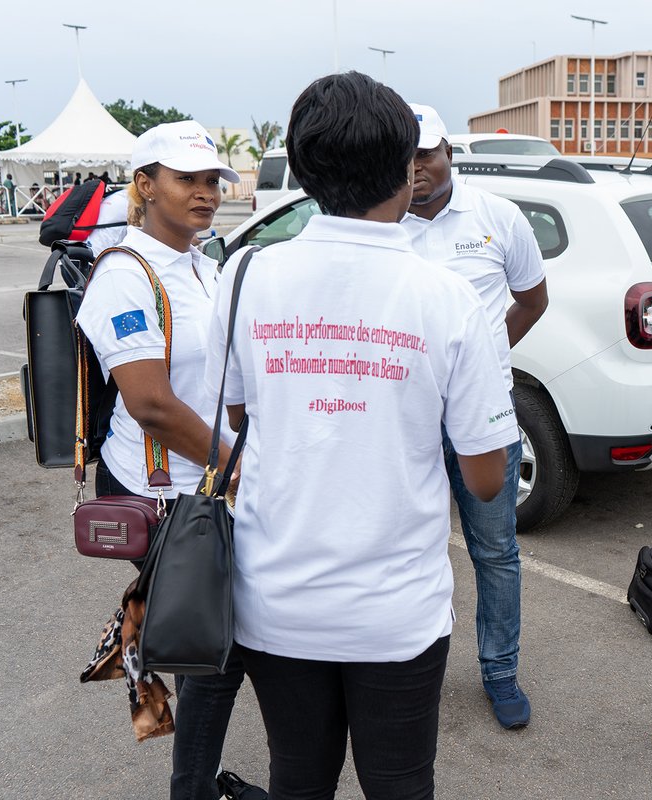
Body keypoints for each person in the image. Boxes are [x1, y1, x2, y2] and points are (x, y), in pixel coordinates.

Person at [205, 72, 517, 800]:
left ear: (304, 169)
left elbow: (240, 418)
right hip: (395, 612)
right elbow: (486, 478)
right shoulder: (448, 297)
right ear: (408, 168)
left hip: (274, 599)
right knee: (401, 783)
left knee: (297, 778)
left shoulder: (245, 274)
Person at [75, 120, 264, 800]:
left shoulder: (205, 267)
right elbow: (152, 403)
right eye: (187, 179)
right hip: (168, 496)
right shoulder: (127, 276)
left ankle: (199, 778)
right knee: (220, 649)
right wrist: (241, 465)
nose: (206, 193)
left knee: (201, 636)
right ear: (145, 184)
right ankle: (193, 787)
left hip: (207, 486)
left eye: (214, 180)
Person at [400, 103, 548, 730]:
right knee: (408, 545)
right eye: (404, 157)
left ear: (449, 153)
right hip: (404, 415)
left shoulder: (498, 217)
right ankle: (405, 670)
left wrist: (485, 359)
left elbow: (532, 299)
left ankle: (500, 672)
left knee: (495, 551)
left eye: (426, 153)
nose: (416, 168)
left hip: (484, 414)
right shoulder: (382, 227)